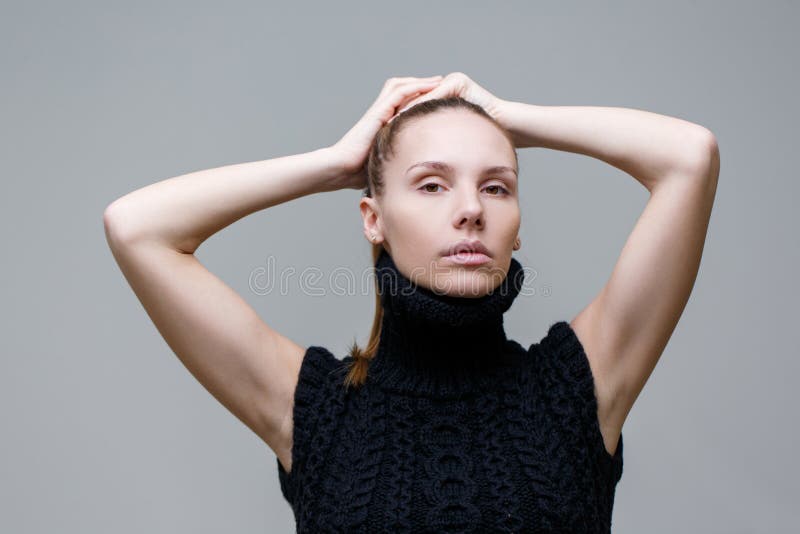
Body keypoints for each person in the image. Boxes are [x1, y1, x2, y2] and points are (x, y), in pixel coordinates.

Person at [103, 72, 720, 532]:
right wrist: (337, 163)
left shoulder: (576, 387)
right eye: (432, 184)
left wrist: (506, 116)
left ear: (518, 224)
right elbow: (137, 227)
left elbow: (689, 159)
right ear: (373, 218)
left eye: (496, 186)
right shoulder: (316, 408)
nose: (472, 209)